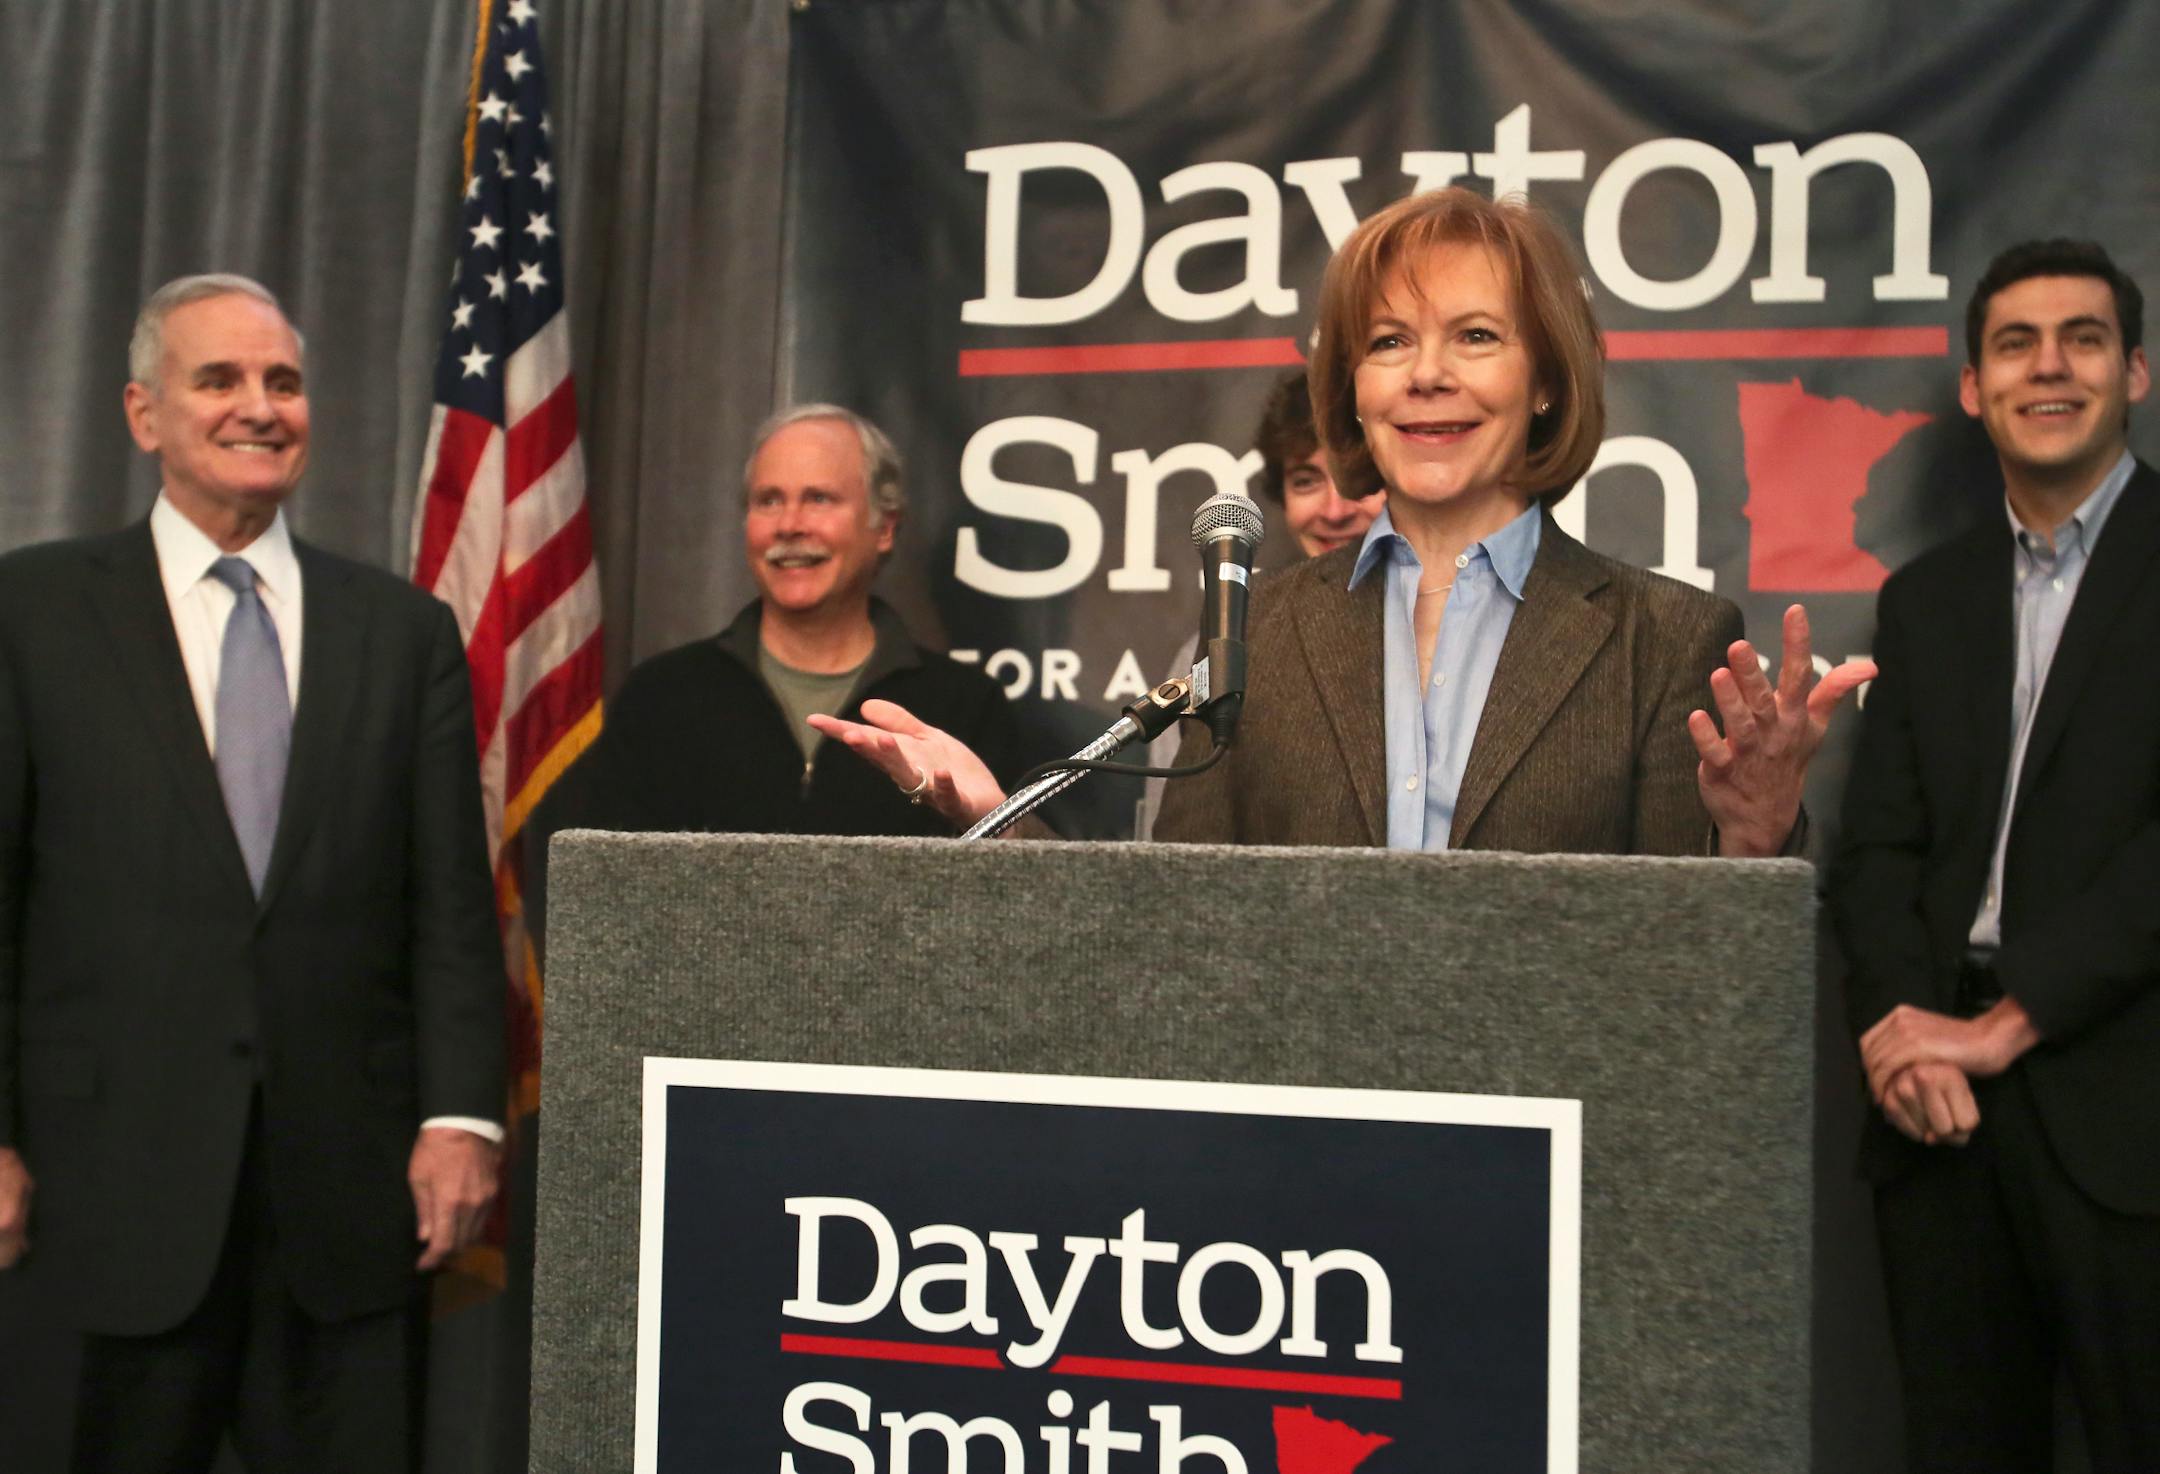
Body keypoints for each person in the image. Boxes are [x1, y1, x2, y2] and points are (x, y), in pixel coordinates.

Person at [816, 188, 1869, 854]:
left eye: (1476, 336)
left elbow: (1696, 979)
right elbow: (1175, 936)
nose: (1430, 379)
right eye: (1390, 343)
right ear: (1353, 387)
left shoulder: (1667, 638)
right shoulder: (1258, 637)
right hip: (1299, 1180)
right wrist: (997, 819)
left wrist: (1755, 833)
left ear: (1547, 377)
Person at [0, 274, 505, 1471]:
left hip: (346, 1201)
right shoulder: (29, 611)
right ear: (142, 412)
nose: (259, 405)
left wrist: (462, 1113)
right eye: (217, 378)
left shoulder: (403, 632)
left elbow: (448, 903)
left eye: (282, 379)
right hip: (98, 1199)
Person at [1828, 239, 2160, 1472]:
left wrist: (2011, 1018)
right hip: (1938, 1116)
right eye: (2015, 344)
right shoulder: (1924, 599)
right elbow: (1877, 853)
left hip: (2122, 1105)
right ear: (1973, 388)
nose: (2049, 367)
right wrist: (1902, 1030)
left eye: (2081, 338)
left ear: (2135, 371)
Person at [538, 404, 1019, 848]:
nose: (789, 524)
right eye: (769, 500)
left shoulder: (963, 706)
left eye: (819, 499)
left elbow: (1025, 891)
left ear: (886, 527)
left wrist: (1003, 823)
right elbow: (601, 894)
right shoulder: (661, 697)